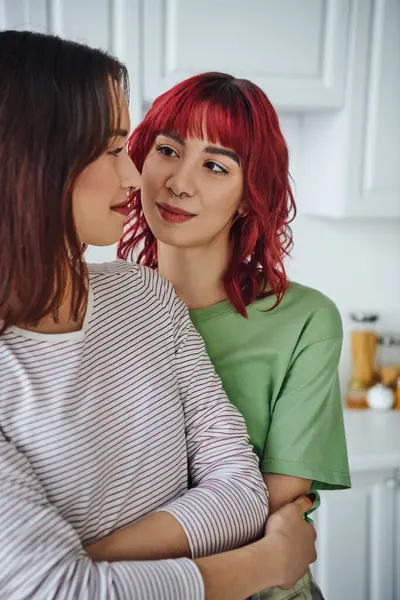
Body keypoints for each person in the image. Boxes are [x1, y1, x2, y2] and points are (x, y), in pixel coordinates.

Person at [0, 32, 317, 600]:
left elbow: (243, 492)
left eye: (128, 147)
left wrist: (81, 569)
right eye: (111, 148)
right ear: (31, 160)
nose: (136, 176)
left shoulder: (146, 297)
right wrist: (265, 562)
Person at [118, 72, 351, 599]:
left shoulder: (306, 322)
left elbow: (268, 507)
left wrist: (76, 559)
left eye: (216, 166)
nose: (179, 181)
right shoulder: (101, 307)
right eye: (168, 150)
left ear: (249, 197)